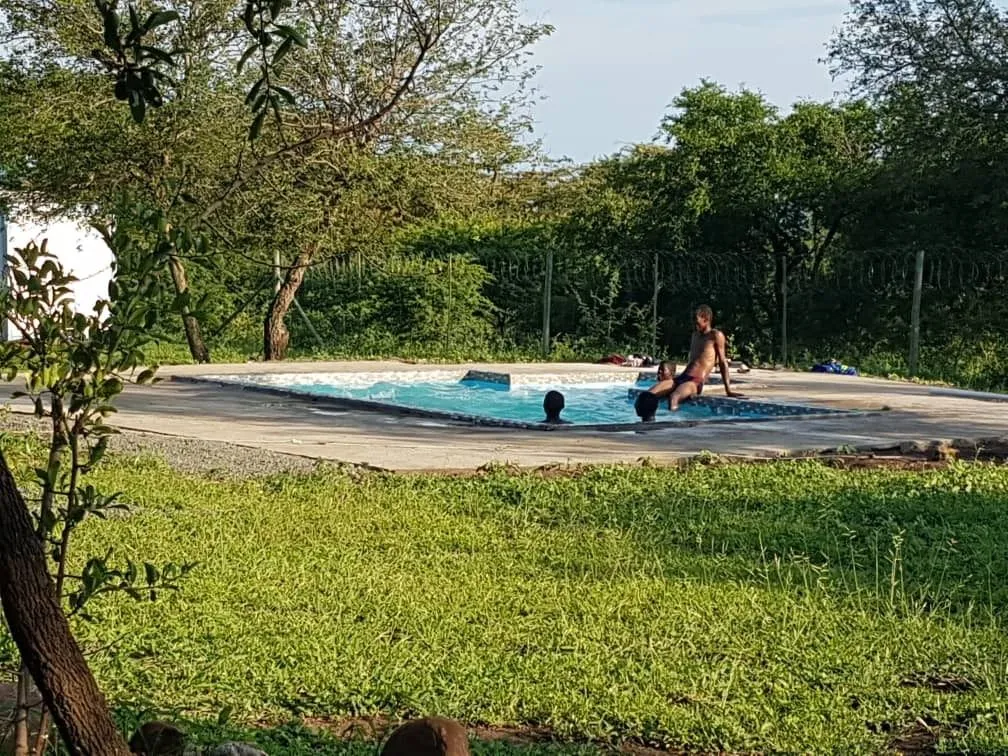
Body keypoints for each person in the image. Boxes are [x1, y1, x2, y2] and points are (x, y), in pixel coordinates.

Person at [649, 304, 745, 411]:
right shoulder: (695, 335)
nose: (693, 323)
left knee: (673, 398)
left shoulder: (715, 335)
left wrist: (728, 390)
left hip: (695, 381)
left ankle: (672, 426)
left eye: (696, 320)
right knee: (648, 395)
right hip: (682, 377)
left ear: (706, 318)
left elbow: (722, 362)